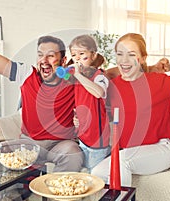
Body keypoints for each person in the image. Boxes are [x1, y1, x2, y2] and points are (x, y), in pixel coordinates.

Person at [0, 5, 83, 172]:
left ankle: (58, 195)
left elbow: (104, 77)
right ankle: (11, 195)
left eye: (50, 55)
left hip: (60, 144)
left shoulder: (74, 79)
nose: (44, 60)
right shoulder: (26, 73)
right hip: (28, 144)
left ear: (63, 60)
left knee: (73, 153)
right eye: (40, 54)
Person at [91, 33, 170, 187]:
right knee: (96, 173)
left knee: (121, 162)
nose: (124, 60)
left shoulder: (159, 81)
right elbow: (104, 76)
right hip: (129, 151)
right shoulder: (112, 86)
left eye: (131, 54)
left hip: (161, 150)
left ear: (143, 58)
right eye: (120, 54)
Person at [68, 35, 111, 171]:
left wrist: (78, 75)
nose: (78, 59)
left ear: (93, 55)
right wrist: (76, 118)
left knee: (96, 176)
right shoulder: (77, 80)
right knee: (84, 173)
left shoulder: (100, 76)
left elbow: (98, 93)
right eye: (74, 55)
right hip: (83, 136)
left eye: (82, 54)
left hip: (97, 140)